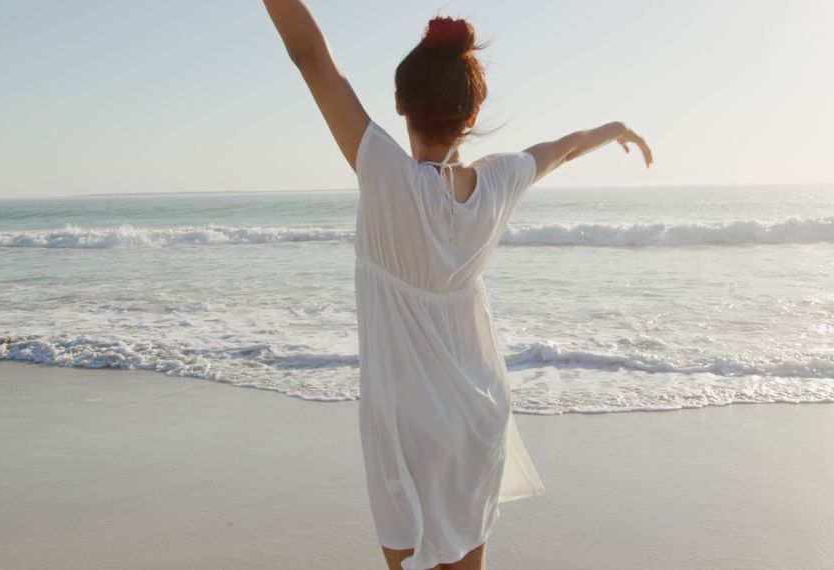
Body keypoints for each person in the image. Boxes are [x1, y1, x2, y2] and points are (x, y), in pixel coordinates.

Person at [263, 2, 652, 569]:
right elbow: (562, 150)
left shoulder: (382, 171)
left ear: (400, 104)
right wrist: (614, 128)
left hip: (401, 424)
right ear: (472, 117)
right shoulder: (499, 181)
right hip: (477, 411)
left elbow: (310, 57)